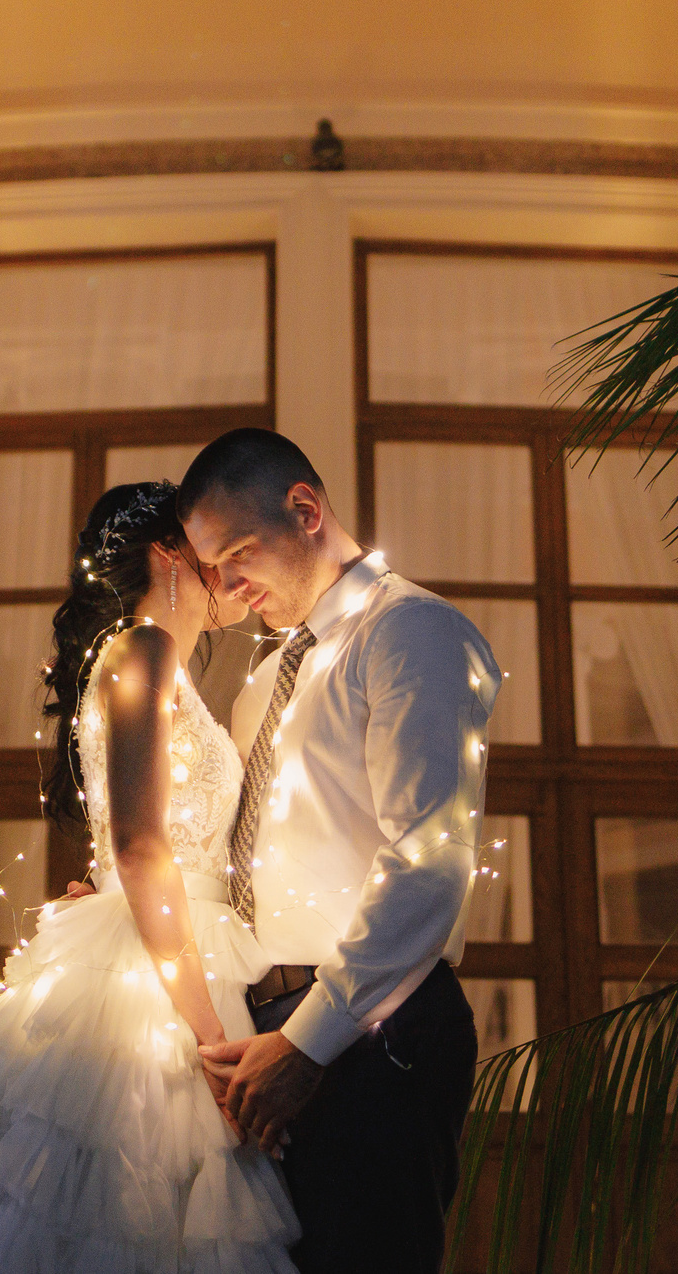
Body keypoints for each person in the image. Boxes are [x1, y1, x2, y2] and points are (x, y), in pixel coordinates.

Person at [0, 481, 301, 1273]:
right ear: (170, 554)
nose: (231, 570)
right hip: (155, 973)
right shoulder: (145, 650)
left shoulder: (146, 659)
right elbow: (140, 846)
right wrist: (211, 1040)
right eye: (211, 550)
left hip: (168, 942)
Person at [181, 429, 501, 1274]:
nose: (226, 587)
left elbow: (428, 855)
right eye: (211, 569)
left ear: (306, 509)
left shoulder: (412, 633)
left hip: (374, 1035)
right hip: (272, 1038)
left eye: (237, 554)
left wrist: (310, 1040)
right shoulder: (267, 678)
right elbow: (226, 857)